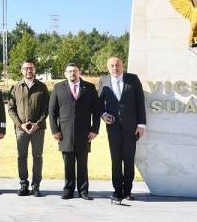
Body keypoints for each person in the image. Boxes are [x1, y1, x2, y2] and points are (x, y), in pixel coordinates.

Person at [97, 56, 147, 204]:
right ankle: (117, 191)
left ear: (122, 66)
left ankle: (128, 191)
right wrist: (103, 114)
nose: (115, 68)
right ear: (108, 68)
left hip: (131, 128)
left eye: (117, 65)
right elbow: (99, 103)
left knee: (129, 159)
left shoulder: (133, 79)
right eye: (111, 65)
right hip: (112, 128)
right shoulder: (103, 80)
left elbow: (140, 102)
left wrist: (141, 125)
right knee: (116, 159)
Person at [48, 62, 102, 200]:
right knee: (68, 165)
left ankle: (83, 191)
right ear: (65, 73)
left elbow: (96, 111)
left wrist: (95, 130)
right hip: (64, 133)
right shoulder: (58, 87)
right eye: (69, 71)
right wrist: (55, 130)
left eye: (75, 71)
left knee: (83, 165)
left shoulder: (89, 88)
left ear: (79, 72)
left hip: (84, 133)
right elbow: (52, 111)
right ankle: (68, 190)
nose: (72, 73)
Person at [6, 59, 50, 197]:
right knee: (21, 157)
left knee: (37, 157)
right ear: (22, 70)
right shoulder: (15, 87)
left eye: (31, 68)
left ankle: (36, 186)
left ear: (35, 70)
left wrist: (38, 123)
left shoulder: (42, 87)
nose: (29, 70)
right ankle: (23, 185)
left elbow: (46, 108)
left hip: (38, 129)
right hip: (21, 129)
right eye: (26, 68)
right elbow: (11, 109)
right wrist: (20, 124)